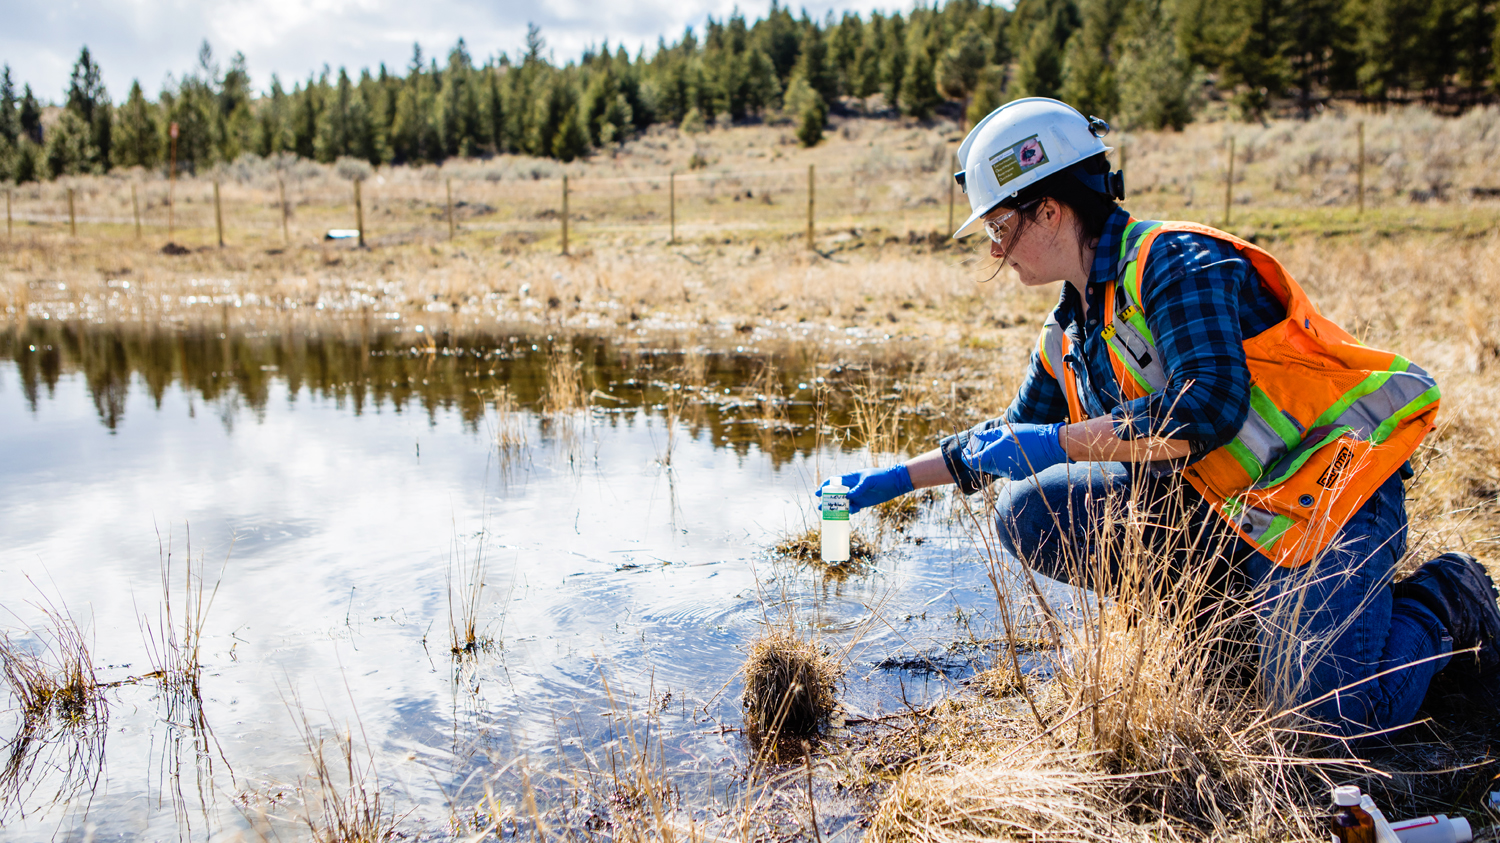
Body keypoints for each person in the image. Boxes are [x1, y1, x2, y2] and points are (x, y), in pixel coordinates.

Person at [819, 98, 1500, 737]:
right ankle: (1226, 625)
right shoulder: (1068, 332)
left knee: (1329, 718)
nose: (996, 249)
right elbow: (1003, 441)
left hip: (1326, 502)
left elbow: (1210, 405)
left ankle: (1450, 597)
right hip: (1229, 518)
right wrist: (888, 482)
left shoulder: (1172, 262)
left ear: (1050, 211)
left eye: (1000, 227)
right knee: (1027, 510)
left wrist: (1060, 440)